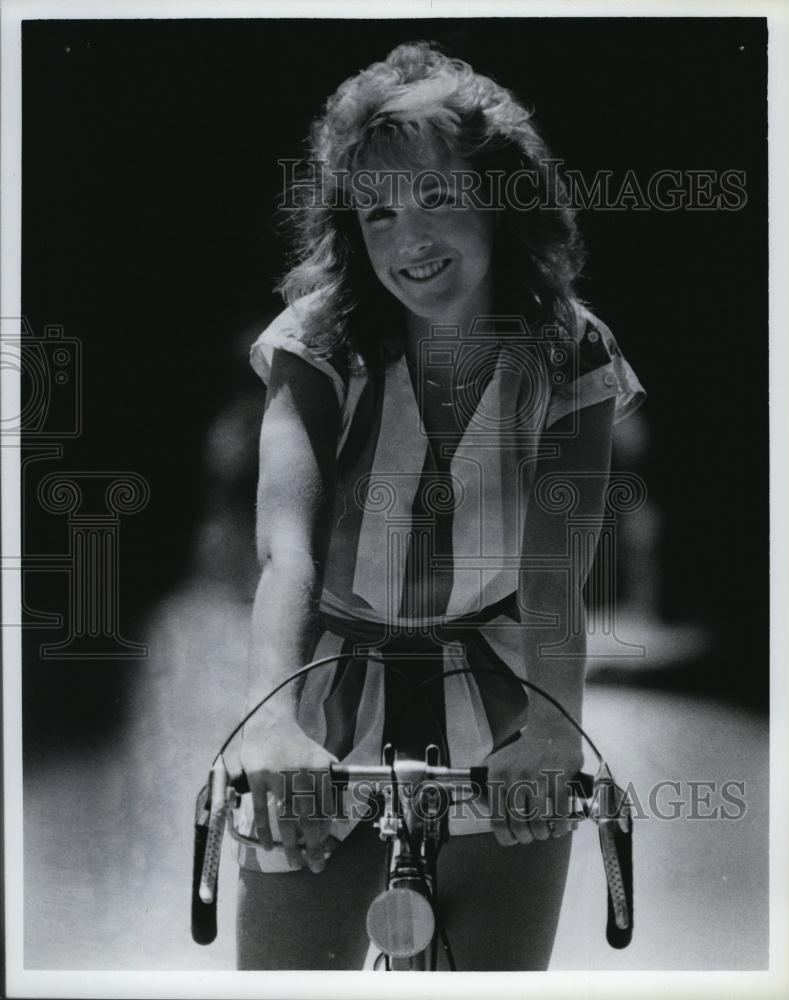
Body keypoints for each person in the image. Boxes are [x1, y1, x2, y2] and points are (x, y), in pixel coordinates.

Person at [235, 40, 645, 970]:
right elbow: (285, 552)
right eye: (377, 212)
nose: (408, 241)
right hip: (326, 673)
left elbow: (553, 570)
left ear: (501, 201)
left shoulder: (570, 350)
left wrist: (551, 730)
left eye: (437, 197)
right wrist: (269, 723)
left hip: (504, 681)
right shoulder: (318, 340)